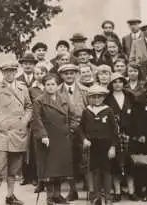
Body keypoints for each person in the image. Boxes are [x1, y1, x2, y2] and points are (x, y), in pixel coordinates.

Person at [0, 61, 33, 205]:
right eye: (6, 71)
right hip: (1, 133)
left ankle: (10, 196)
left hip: (19, 133)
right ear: (2, 73)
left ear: (16, 72)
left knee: (15, 167)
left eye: (12, 71)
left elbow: (29, 107)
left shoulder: (23, 88)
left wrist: (25, 120)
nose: (9, 74)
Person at [32, 74, 78, 205]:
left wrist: (71, 129)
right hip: (48, 138)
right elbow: (37, 119)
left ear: (57, 86)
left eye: (53, 84)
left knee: (61, 168)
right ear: (44, 86)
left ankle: (58, 195)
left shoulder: (64, 98)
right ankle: (50, 196)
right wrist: (43, 135)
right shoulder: (39, 100)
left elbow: (73, 115)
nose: (50, 87)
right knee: (49, 169)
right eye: (47, 84)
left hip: (63, 138)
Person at [80, 84, 119, 205]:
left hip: (106, 145)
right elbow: (80, 128)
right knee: (94, 170)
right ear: (89, 98)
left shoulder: (108, 110)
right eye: (93, 97)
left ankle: (108, 196)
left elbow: (114, 130)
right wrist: (84, 139)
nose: (96, 100)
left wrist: (113, 146)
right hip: (92, 145)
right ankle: (96, 196)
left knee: (107, 170)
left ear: (103, 98)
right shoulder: (87, 111)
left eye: (99, 97)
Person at [56, 63, 89, 201]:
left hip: (83, 130)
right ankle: (72, 190)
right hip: (65, 130)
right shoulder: (56, 91)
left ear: (76, 74)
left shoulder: (85, 90)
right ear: (61, 75)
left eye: (72, 73)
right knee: (68, 161)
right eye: (66, 73)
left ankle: (91, 189)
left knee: (86, 159)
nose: (69, 76)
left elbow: (90, 109)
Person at [105, 73, 138, 202]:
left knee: (130, 162)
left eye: (120, 81)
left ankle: (131, 191)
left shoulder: (130, 96)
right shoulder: (107, 99)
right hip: (113, 135)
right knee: (115, 164)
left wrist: (134, 133)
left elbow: (136, 116)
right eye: (114, 82)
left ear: (124, 83)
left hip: (129, 134)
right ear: (111, 84)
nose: (117, 84)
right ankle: (117, 191)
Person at [23, 65, 48, 189]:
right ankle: (39, 180)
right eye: (37, 73)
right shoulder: (31, 89)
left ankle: (51, 180)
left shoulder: (51, 86)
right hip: (37, 122)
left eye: (42, 73)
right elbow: (28, 105)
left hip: (50, 122)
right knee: (37, 152)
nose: (40, 76)